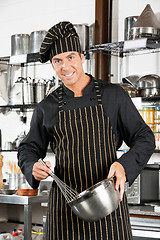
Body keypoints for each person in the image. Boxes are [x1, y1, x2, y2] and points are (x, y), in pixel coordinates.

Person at [18, 21, 155, 240]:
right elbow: (28, 149)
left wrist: (124, 165)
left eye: (70, 57)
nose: (65, 66)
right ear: (52, 65)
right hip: (64, 214)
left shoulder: (114, 97)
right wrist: (31, 165)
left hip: (109, 210)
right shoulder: (47, 107)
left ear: (82, 57)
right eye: (57, 61)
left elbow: (145, 138)